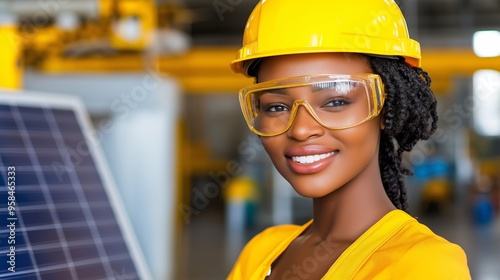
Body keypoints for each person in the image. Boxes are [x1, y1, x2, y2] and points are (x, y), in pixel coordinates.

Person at [227, 0, 471, 279]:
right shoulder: (261, 252)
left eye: (335, 101)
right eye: (277, 107)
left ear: (384, 107)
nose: (301, 129)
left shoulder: (422, 265)